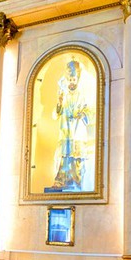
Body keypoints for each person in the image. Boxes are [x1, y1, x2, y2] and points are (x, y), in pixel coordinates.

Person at [51, 58, 90, 190]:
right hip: (66, 130)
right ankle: (61, 181)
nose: (72, 82)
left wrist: (82, 114)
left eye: (74, 79)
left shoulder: (83, 94)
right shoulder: (63, 94)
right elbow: (56, 114)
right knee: (65, 156)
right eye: (70, 79)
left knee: (77, 157)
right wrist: (59, 102)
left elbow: (90, 110)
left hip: (78, 130)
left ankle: (76, 182)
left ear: (77, 79)